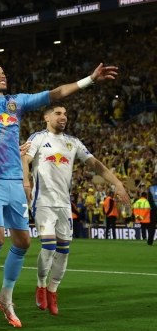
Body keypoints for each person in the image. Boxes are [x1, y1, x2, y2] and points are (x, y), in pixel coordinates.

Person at [0, 32, 117, 327]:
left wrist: (89, 80)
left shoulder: (16, 103)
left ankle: (5, 297)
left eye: (4, 72)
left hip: (13, 179)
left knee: (22, 240)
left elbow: (55, 94)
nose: (3, 75)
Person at [22, 103, 129, 315]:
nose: (64, 117)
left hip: (64, 204)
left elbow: (96, 164)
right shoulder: (38, 138)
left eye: (65, 114)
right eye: (58, 113)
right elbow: (25, 159)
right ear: (47, 118)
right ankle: (41, 284)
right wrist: (26, 181)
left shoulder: (73, 142)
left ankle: (52, 290)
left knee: (63, 251)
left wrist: (117, 183)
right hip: (43, 201)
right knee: (49, 247)